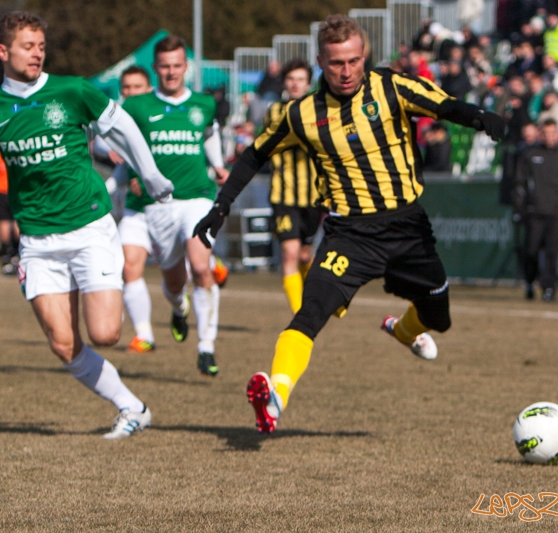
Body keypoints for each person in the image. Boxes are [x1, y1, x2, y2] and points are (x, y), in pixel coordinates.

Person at [194, 15, 506, 434]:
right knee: (310, 313)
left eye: (354, 61)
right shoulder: (301, 114)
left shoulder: (391, 86)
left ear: (365, 57)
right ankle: (275, 397)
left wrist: (481, 117)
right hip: (349, 235)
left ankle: (402, 330)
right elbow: (253, 155)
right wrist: (221, 207)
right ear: (320, 60)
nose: (346, 71)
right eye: (336, 62)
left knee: (438, 317)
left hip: (408, 230)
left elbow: (445, 105)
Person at [0, 11, 174, 439]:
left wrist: (151, 173)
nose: (37, 53)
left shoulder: (71, 90)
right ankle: (133, 407)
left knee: (105, 334)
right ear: (3, 51)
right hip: (36, 240)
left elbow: (121, 124)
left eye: (41, 46)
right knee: (63, 344)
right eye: (28, 46)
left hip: (89, 227)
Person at [121, 34, 229, 376]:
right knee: (172, 282)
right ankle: (178, 308)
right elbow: (123, 144)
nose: (171, 72)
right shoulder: (137, 106)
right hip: (155, 206)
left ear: (186, 67)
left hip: (197, 197)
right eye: (165, 66)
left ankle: (206, 347)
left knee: (201, 266)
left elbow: (209, 133)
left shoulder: (203, 103)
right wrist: (133, 172)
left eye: (177, 66)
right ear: (156, 69)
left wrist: (219, 164)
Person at [102, 65, 157, 354]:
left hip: (174, 207)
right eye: (126, 88)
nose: (130, 93)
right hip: (138, 208)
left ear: (149, 89)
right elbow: (100, 142)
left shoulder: (161, 116)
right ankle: (144, 335)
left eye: (137, 87)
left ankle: (214, 267)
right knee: (128, 265)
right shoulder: (119, 120)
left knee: (192, 271)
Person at [266, 58, 322, 314]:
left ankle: (310, 296)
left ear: (308, 83)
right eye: (291, 79)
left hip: (313, 196)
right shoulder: (274, 111)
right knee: (289, 254)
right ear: (284, 82)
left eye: (300, 79)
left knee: (304, 256)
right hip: (283, 194)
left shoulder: (319, 110)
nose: (295, 84)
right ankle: (301, 315)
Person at [514, 119, 558, 302]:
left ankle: (549, 287)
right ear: (540, 134)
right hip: (534, 212)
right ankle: (530, 281)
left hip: (557, 212)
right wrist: (520, 208)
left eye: (553, 133)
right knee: (531, 250)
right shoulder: (529, 155)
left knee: (552, 252)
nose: (550, 137)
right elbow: (520, 183)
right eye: (546, 133)